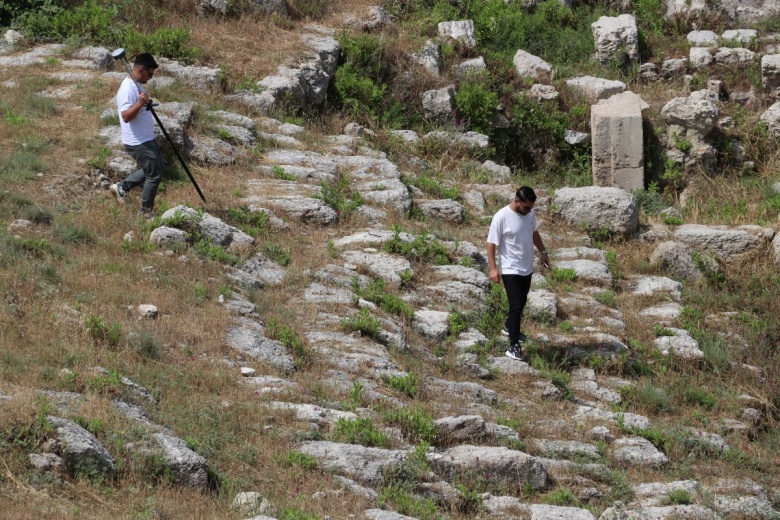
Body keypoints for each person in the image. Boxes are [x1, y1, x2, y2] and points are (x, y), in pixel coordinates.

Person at [486, 186, 550, 360]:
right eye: (527, 207)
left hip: (526, 267)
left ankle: (509, 327)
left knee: (521, 301)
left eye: (531, 207)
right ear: (517, 202)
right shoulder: (501, 217)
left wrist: (543, 252)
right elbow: (491, 243)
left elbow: (534, 233)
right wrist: (493, 269)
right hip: (510, 268)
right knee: (515, 304)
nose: (530, 210)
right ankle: (513, 346)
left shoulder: (529, 215)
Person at [109, 53, 162, 217]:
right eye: (150, 74)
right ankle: (145, 214)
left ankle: (122, 187)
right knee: (155, 174)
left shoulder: (136, 84)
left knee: (155, 169)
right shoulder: (127, 88)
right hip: (138, 141)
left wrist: (146, 103)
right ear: (140, 70)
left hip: (145, 138)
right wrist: (140, 103)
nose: (151, 78)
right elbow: (126, 116)